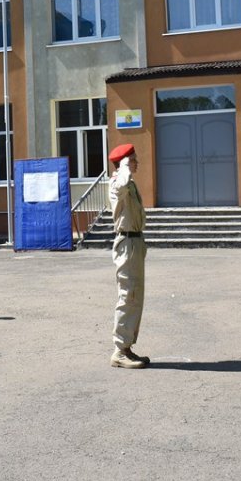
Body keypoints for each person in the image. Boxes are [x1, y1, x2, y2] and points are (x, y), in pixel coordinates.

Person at [107, 143, 150, 370]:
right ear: (124, 162)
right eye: (133, 159)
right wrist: (124, 166)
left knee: (136, 297)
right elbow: (121, 182)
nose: (137, 162)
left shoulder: (129, 184)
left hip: (135, 242)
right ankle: (119, 351)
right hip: (126, 244)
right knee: (128, 295)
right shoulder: (118, 183)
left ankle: (127, 347)